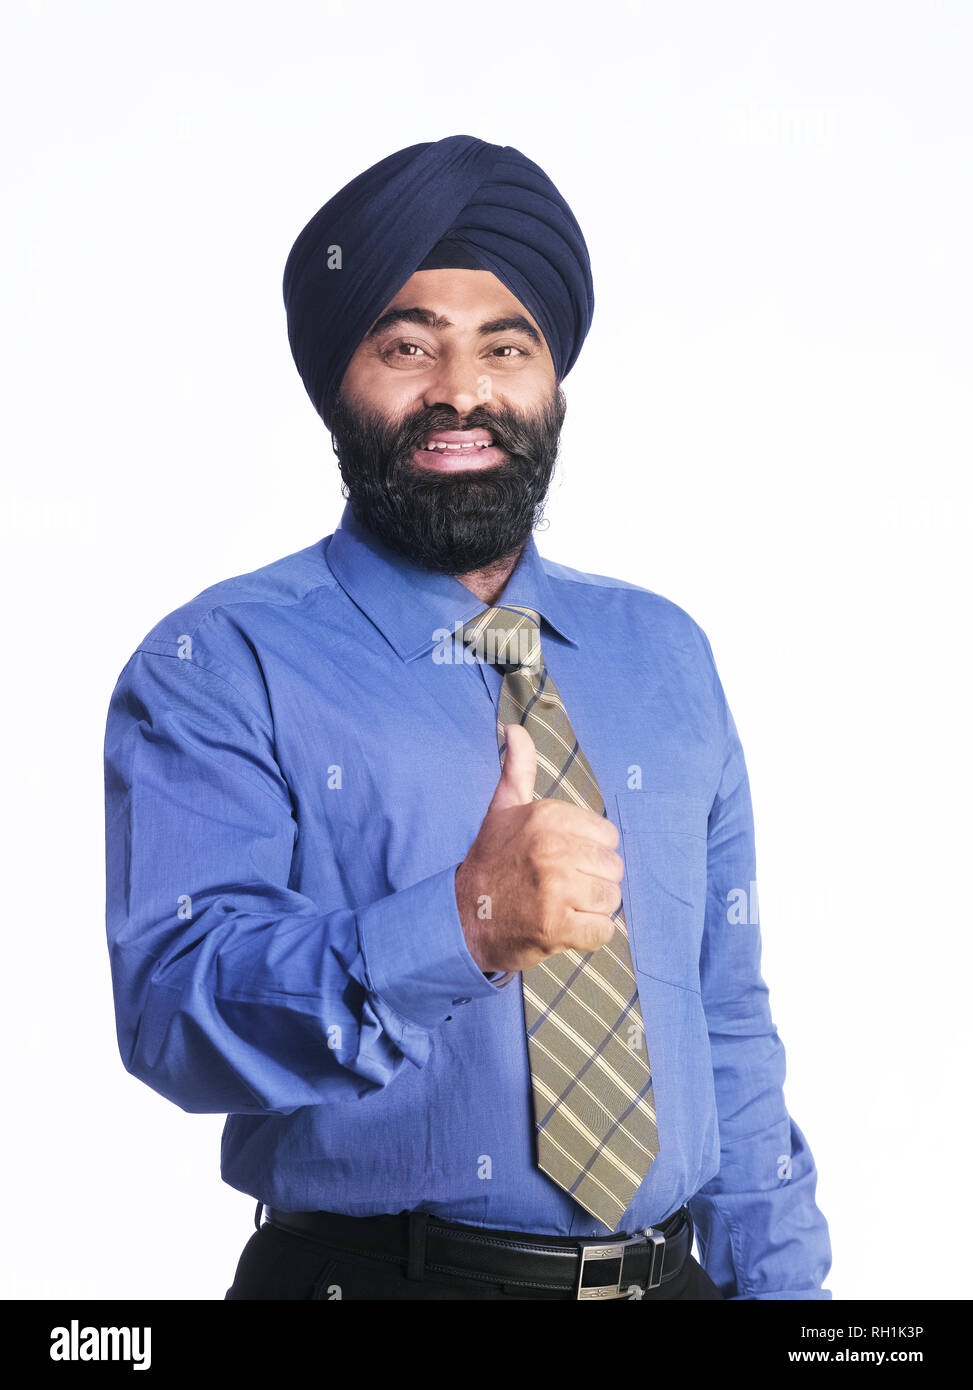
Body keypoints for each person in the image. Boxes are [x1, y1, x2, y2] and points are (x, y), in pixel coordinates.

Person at [104, 134, 832, 1301]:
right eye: (407, 344)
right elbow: (173, 1011)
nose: (461, 390)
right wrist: (465, 920)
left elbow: (728, 1027)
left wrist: (792, 1302)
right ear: (339, 378)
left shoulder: (663, 655)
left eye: (506, 344)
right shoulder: (222, 658)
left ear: (551, 382)